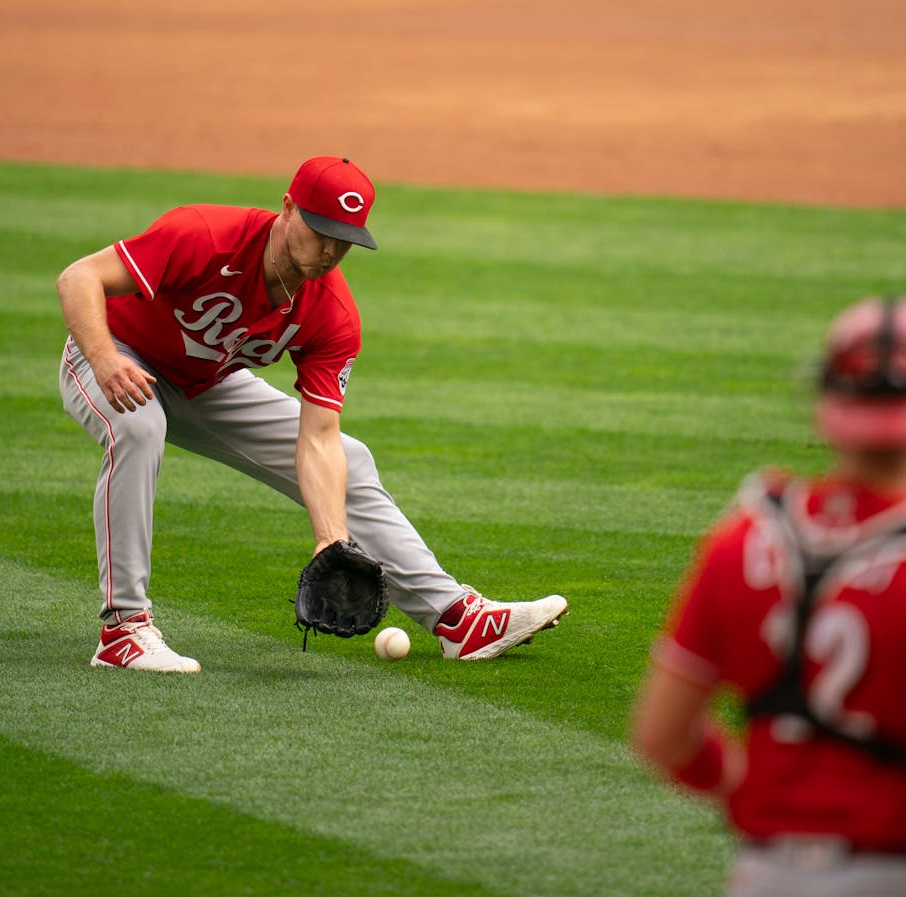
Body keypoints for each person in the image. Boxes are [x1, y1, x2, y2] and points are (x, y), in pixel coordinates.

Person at [56, 156, 568, 672]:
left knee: (352, 456)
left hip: (208, 382)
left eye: (344, 240)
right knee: (140, 428)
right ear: (287, 208)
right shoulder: (205, 234)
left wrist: (331, 537)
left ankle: (458, 620)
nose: (329, 251)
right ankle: (124, 631)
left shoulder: (332, 312)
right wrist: (104, 358)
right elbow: (79, 277)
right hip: (114, 354)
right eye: (320, 230)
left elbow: (318, 439)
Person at [631, 297, 906, 897]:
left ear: (825, 414)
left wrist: (762, 787)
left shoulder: (743, 539)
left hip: (765, 878)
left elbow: (662, 734)